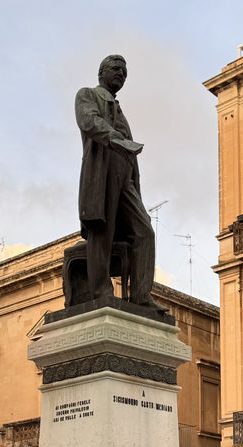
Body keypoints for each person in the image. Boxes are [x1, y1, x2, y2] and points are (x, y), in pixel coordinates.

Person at [75, 54, 158, 308]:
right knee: (103, 231)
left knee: (145, 231)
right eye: (116, 68)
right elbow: (88, 121)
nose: (121, 73)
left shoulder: (120, 108)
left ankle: (142, 295)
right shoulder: (87, 94)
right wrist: (116, 138)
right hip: (103, 169)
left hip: (125, 176)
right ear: (101, 72)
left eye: (125, 71)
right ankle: (101, 293)